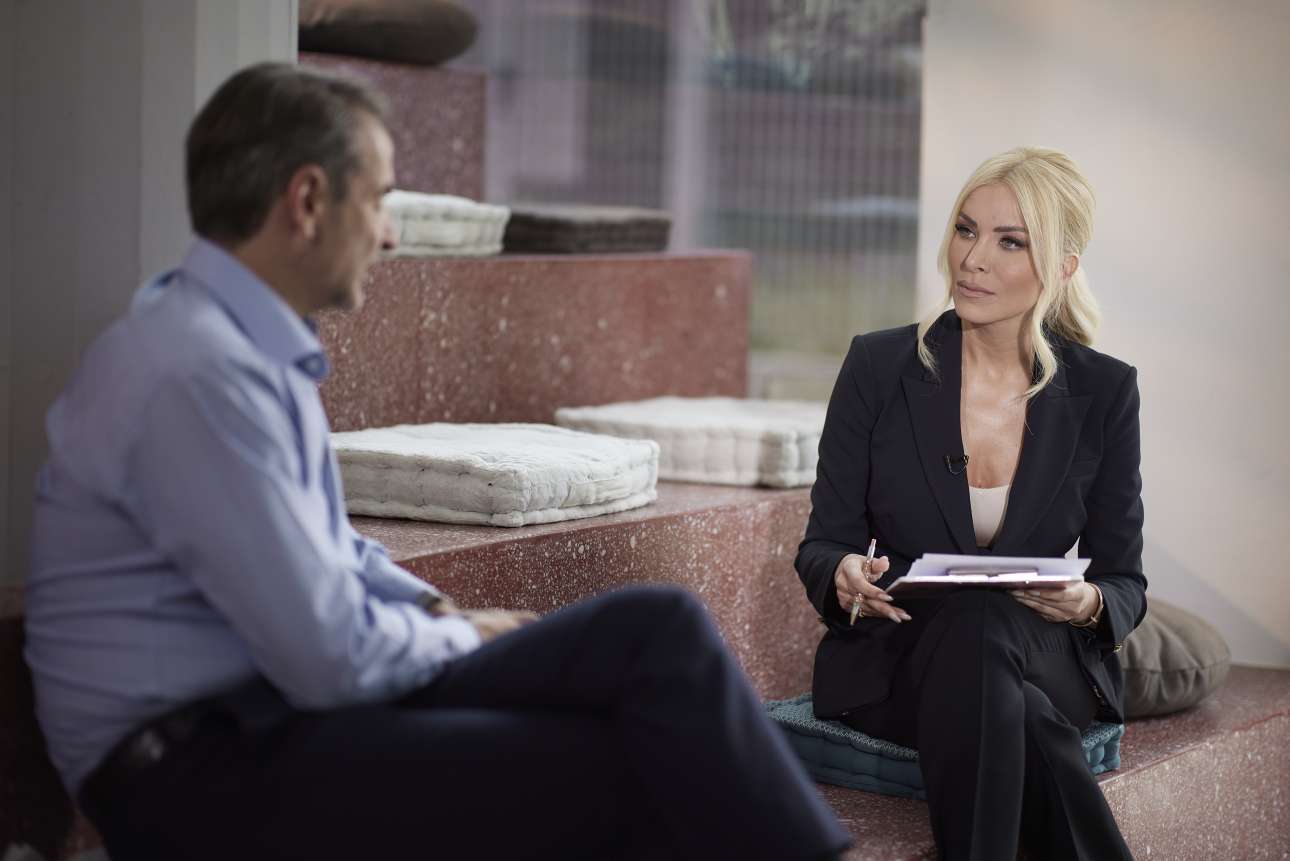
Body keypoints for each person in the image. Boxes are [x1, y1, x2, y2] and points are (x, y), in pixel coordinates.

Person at [24, 62, 851, 861]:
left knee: (654, 629)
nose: (389, 234)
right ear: (307, 201)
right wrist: (455, 636)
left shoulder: (236, 347)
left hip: (266, 712)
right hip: (191, 771)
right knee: (615, 764)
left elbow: (331, 554)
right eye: (379, 198)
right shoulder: (199, 374)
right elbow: (326, 654)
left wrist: (432, 607)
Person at [796, 147, 1145, 860]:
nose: (973, 258)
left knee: (988, 626)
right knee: (1012, 695)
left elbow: (1124, 581)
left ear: (1062, 267)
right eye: (965, 229)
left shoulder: (1104, 390)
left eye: (1009, 241)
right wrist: (843, 576)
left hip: (1038, 651)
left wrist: (1087, 603)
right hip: (900, 656)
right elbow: (823, 544)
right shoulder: (878, 366)